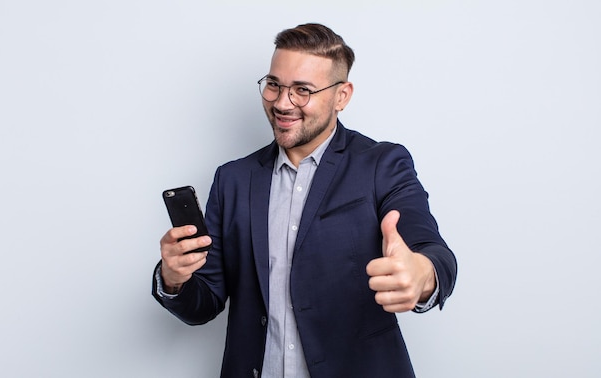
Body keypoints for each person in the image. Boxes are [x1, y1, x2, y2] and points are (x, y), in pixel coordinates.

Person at [152, 23, 457, 378]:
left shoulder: (382, 165)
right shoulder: (233, 179)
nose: (282, 103)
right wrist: (174, 279)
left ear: (342, 96)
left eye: (302, 90)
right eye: (274, 85)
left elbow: (433, 251)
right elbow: (203, 305)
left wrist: (423, 274)